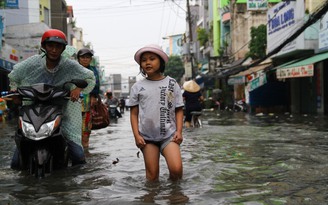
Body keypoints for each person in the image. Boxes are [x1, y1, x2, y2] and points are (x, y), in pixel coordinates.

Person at [8, 29, 96, 168]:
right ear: (44, 46)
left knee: (78, 156)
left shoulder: (69, 65)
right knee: (15, 162)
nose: (54, 50)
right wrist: (14, 92)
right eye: (50, 46)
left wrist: (77, 89)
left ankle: (76, 187)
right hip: (33, 105)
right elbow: (14, 75)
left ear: (63, 49)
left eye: (58, 46)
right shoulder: (32, 63)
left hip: (64, 107)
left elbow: (89, 77)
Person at [127, 44, 184, 181]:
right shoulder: (137, 87)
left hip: (169, 135)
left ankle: (174, 196)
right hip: (147, 138)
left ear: (161, 61)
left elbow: (178, 109)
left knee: (176, 170)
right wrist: (136, 136)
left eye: (152, 59)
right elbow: (134, 114)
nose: (147, 62)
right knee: (152, 178)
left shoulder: (172, 83)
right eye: (144, 60)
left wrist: (179, 132)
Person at [77, 48, 100, 151]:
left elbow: (96, 85)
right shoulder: (73, 69)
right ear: (78, 59)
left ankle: (85, 151)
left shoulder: (93, 71)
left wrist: (94, 96)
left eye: (87, 57)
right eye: (83, 57)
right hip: (72, 103)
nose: (85, 59)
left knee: (86, 130)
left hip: (87, 103)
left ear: (90, 59)